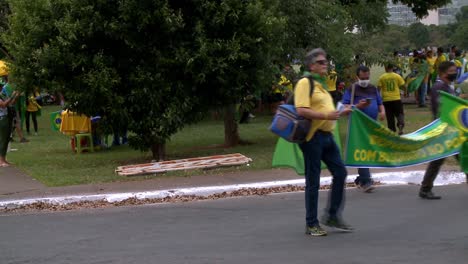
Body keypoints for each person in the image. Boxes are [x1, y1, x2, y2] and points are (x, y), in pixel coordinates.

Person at [295, 48, 353, 236]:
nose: (325, 64)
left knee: (340, 172)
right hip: (313, 138)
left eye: (325, 61)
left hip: (327, 137)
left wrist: (343, 111)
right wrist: (325, 114)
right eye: (320, 62)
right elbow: (302, 110)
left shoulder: (320, 84)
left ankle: (332, 215)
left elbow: (327, 108)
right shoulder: (305, 83)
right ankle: (311, 223)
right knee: (313, 181)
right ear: (311, 65)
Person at [419, 61, 468, 199]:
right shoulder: (439, 87)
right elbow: (442, 108)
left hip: (452, 129)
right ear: (442, 73)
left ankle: (425, 188)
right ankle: (425, 188)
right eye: (451, 71)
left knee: (462, 157)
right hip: (444, 130)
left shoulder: (447, 86)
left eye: (455, 70)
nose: (455, 73)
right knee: (439, 160)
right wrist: (459, 100)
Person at [342, 65, 385, 192]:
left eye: (367, 77)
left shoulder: (373, 88)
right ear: (357, 77)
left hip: (372, 125)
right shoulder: (352, 89)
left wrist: (382, 112)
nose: (365, 79)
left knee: (368, 150)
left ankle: (361, 179)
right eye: (363, 77)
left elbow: (380, 103)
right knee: (363, 150)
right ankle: (366, 180)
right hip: (358, 126)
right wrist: (358, 106)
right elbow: (344, 107)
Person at [378, 63, 406, 135]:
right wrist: (406, 92)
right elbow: (403, 86)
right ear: (393, 68)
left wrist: (378, 97)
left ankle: (392, 131)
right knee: (399, 113)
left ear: (385, 68)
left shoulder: (382, 77)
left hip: (386, 100)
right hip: (396, 98)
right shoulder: (397, 76)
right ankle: (400, 124)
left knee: (390, 117)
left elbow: (378, 89)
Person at [1, 76, 28, 143]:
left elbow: (13, 100)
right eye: (11, 77)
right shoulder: (6, 87)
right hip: (9, 108)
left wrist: (17, 96)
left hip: (11, 107)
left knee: (13, 123)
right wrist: (15, 96)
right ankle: (21, 138)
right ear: (8, 78)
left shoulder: (12, 86)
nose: (13, 78)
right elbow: (10, 101)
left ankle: (11, 137)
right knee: (16, 122)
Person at [0, 90, 19, 166]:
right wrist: (12, 96)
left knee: (7, 139)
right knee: (3, 140)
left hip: (7, 118)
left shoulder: (2, 96)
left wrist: (16, 97)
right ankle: (1, 160)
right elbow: (3, 105)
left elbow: (10, 104)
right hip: (2, 119)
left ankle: (4, 159)